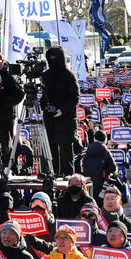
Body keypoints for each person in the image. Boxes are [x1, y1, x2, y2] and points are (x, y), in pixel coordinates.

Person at [41, 46, 81, 176]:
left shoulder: (69, 75)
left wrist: (61, 110)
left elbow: (74, 97)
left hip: (66, 119)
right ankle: (52, 175)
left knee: (66, 153)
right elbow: (44, 94)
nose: (53, 61)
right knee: (51, 152)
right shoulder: (46, 75)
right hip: (50, 119)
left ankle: (68, 177)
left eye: (55, 58)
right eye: (50, 58)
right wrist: (43, 106)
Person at [0, 52, 25, 163]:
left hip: (6, 115)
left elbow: (20, 94)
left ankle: (7, 165)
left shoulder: (10, 76)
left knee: (6, 143)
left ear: (3, 63)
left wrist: (4, 102)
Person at [82, 130, 117, 203]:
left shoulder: (88, 150)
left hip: (88, 181)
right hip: (102, 183)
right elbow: (112, 168)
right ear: (105, 139)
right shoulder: (105, 151)